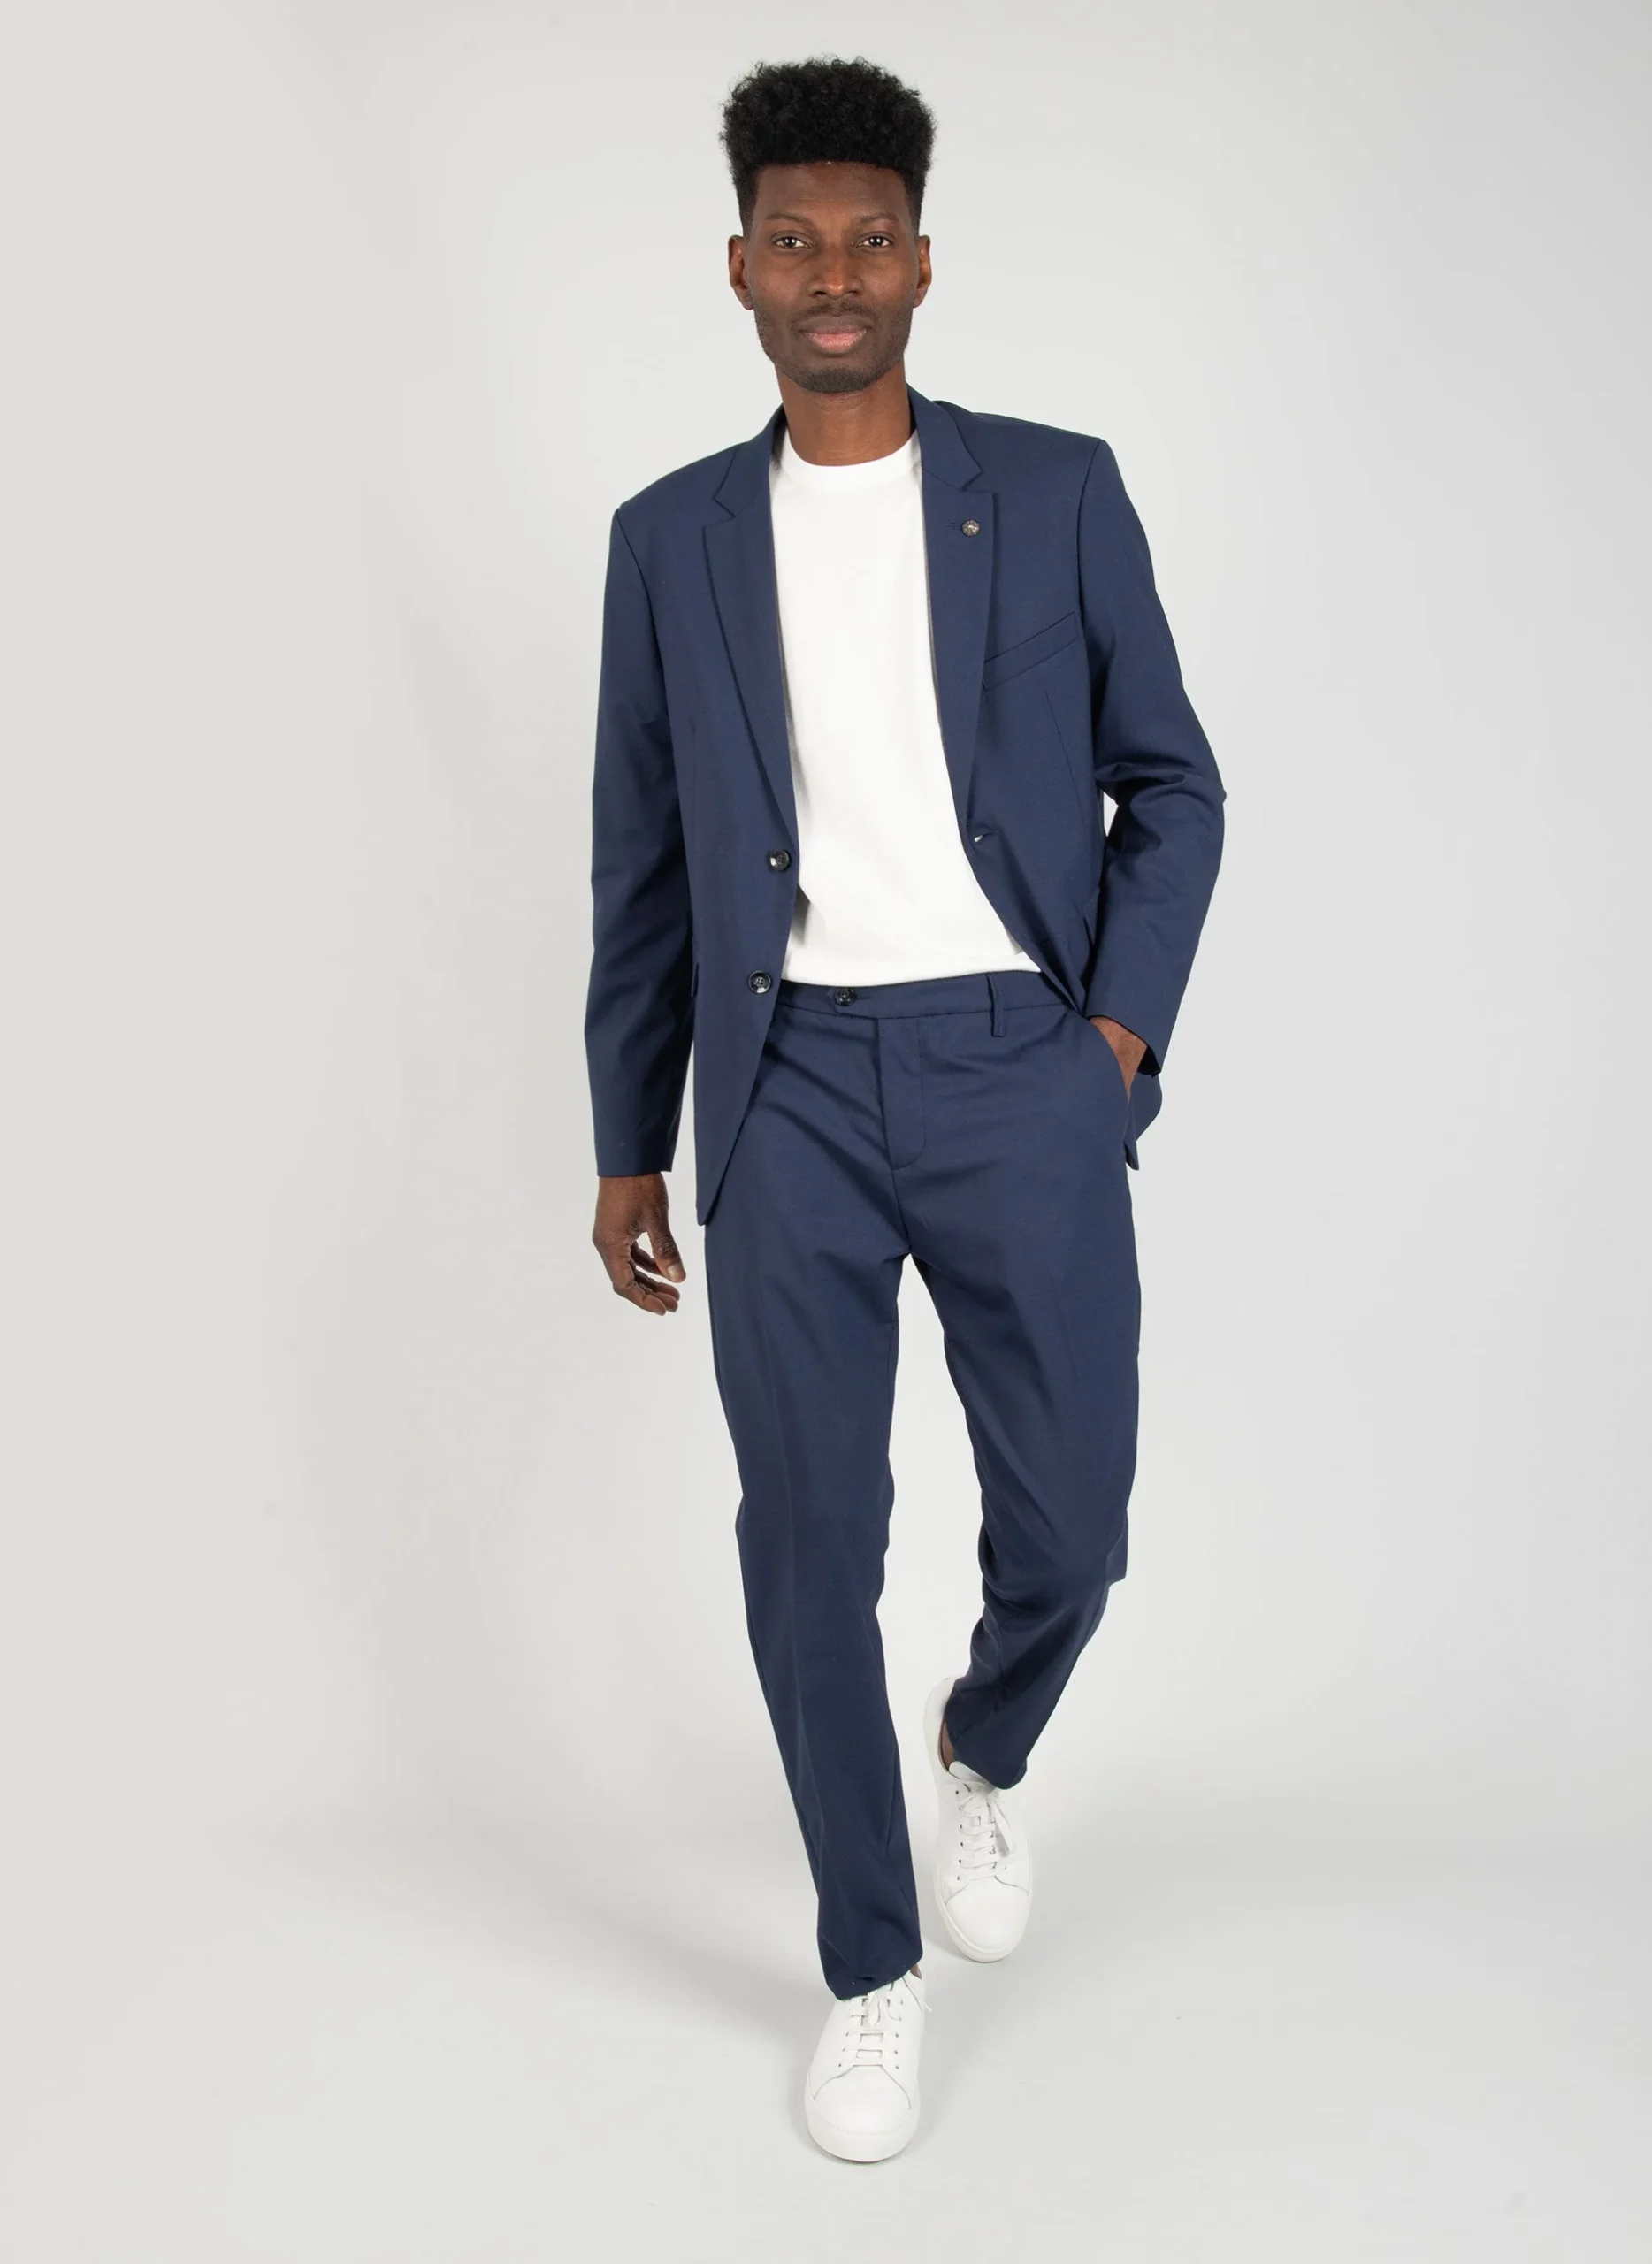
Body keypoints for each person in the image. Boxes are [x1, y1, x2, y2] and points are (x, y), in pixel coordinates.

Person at [584, 55, 1225, 2161]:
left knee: (1078, 1520)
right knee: (805, 1539)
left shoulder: (1054, 490)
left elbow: (1173, 785)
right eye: (797, 241)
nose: (835, 274)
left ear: (923, 262)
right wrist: (628, 1133)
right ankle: (871, 1964)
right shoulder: (668, 538)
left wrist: (1110, 1043)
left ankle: (986, 1739)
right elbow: (643, 867)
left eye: (870, 239)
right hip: (787, 1092)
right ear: (741, 267)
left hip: (1018, 1062)